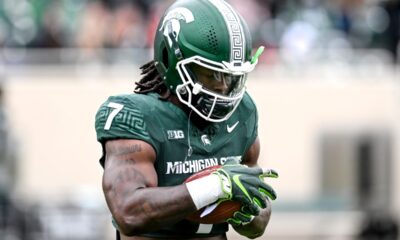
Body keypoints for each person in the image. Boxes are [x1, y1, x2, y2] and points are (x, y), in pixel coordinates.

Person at [95, 0, 278, 239]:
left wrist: (247, 211)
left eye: (231, 76)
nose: (223, 87)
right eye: (211, 73)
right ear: (171, 60)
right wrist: (215, 187)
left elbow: (258, 222)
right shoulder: (136, 115)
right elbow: (129, 212)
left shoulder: (242, 111)